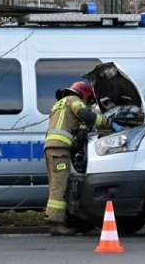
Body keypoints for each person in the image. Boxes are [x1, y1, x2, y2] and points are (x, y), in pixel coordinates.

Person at [44, 81, 122, 236]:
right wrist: (109, 123)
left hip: (52, 147)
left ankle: (56, 219)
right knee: (60, 185)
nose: (87, 103)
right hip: (60, 149)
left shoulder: (60, 103)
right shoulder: (74, 100)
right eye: (88, 100)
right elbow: (85, 115)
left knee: (55, 184)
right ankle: (56, 224)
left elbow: (73, 126)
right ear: (84, 93)